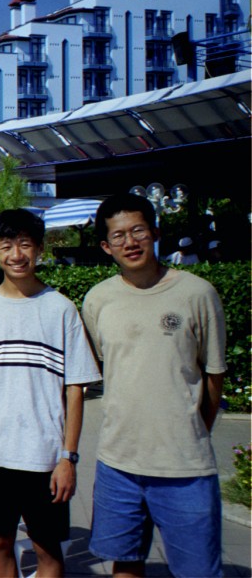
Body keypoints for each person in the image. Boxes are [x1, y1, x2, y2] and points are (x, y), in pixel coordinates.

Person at [82, 193, 226, 578]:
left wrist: (192, 430)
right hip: (118, 464)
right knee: (124, 565)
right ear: (105, 246)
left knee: (198, 572)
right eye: (118, 236)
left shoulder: (197, 294)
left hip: (185, 467)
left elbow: (214, 377)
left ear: (155, 233)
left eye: (138, 231)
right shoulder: (97, 300)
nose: (129, 242)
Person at [0, 209, 100, 578]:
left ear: (39, 249)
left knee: (47, 547)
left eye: (25, 244)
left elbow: (75, 390)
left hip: (45, 456)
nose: (16, 254)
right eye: (7, 246)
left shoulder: (62, 309)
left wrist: (68, 457)